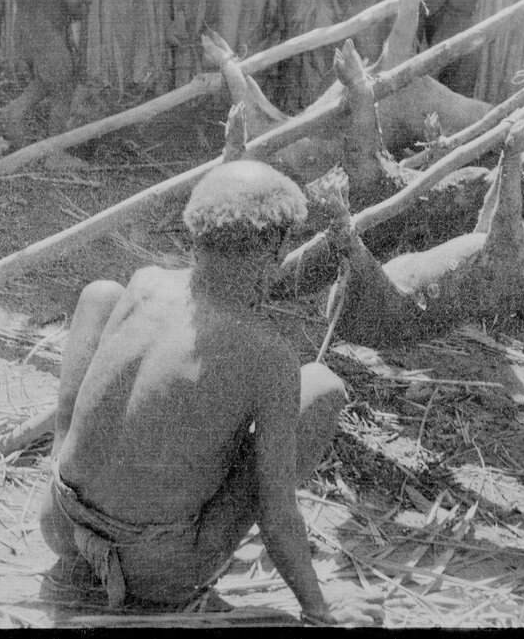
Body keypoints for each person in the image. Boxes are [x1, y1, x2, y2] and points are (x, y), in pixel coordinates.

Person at [38, 160, 382, 626]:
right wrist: (319, 608)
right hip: (155, 573)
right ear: (274, 250)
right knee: (321, 387)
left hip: (60, 523)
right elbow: (275, 513)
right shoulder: (267, 355)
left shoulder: (145, 283)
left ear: (195, 231)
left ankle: (62, 466)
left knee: (100, 293)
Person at [3, 0, 85, 148]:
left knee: (47, 80)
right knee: (63, 88)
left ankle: (14, 111)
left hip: (25, 29)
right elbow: (72, 2)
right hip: (45, 32)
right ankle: (55, 155)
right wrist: (82, 8)